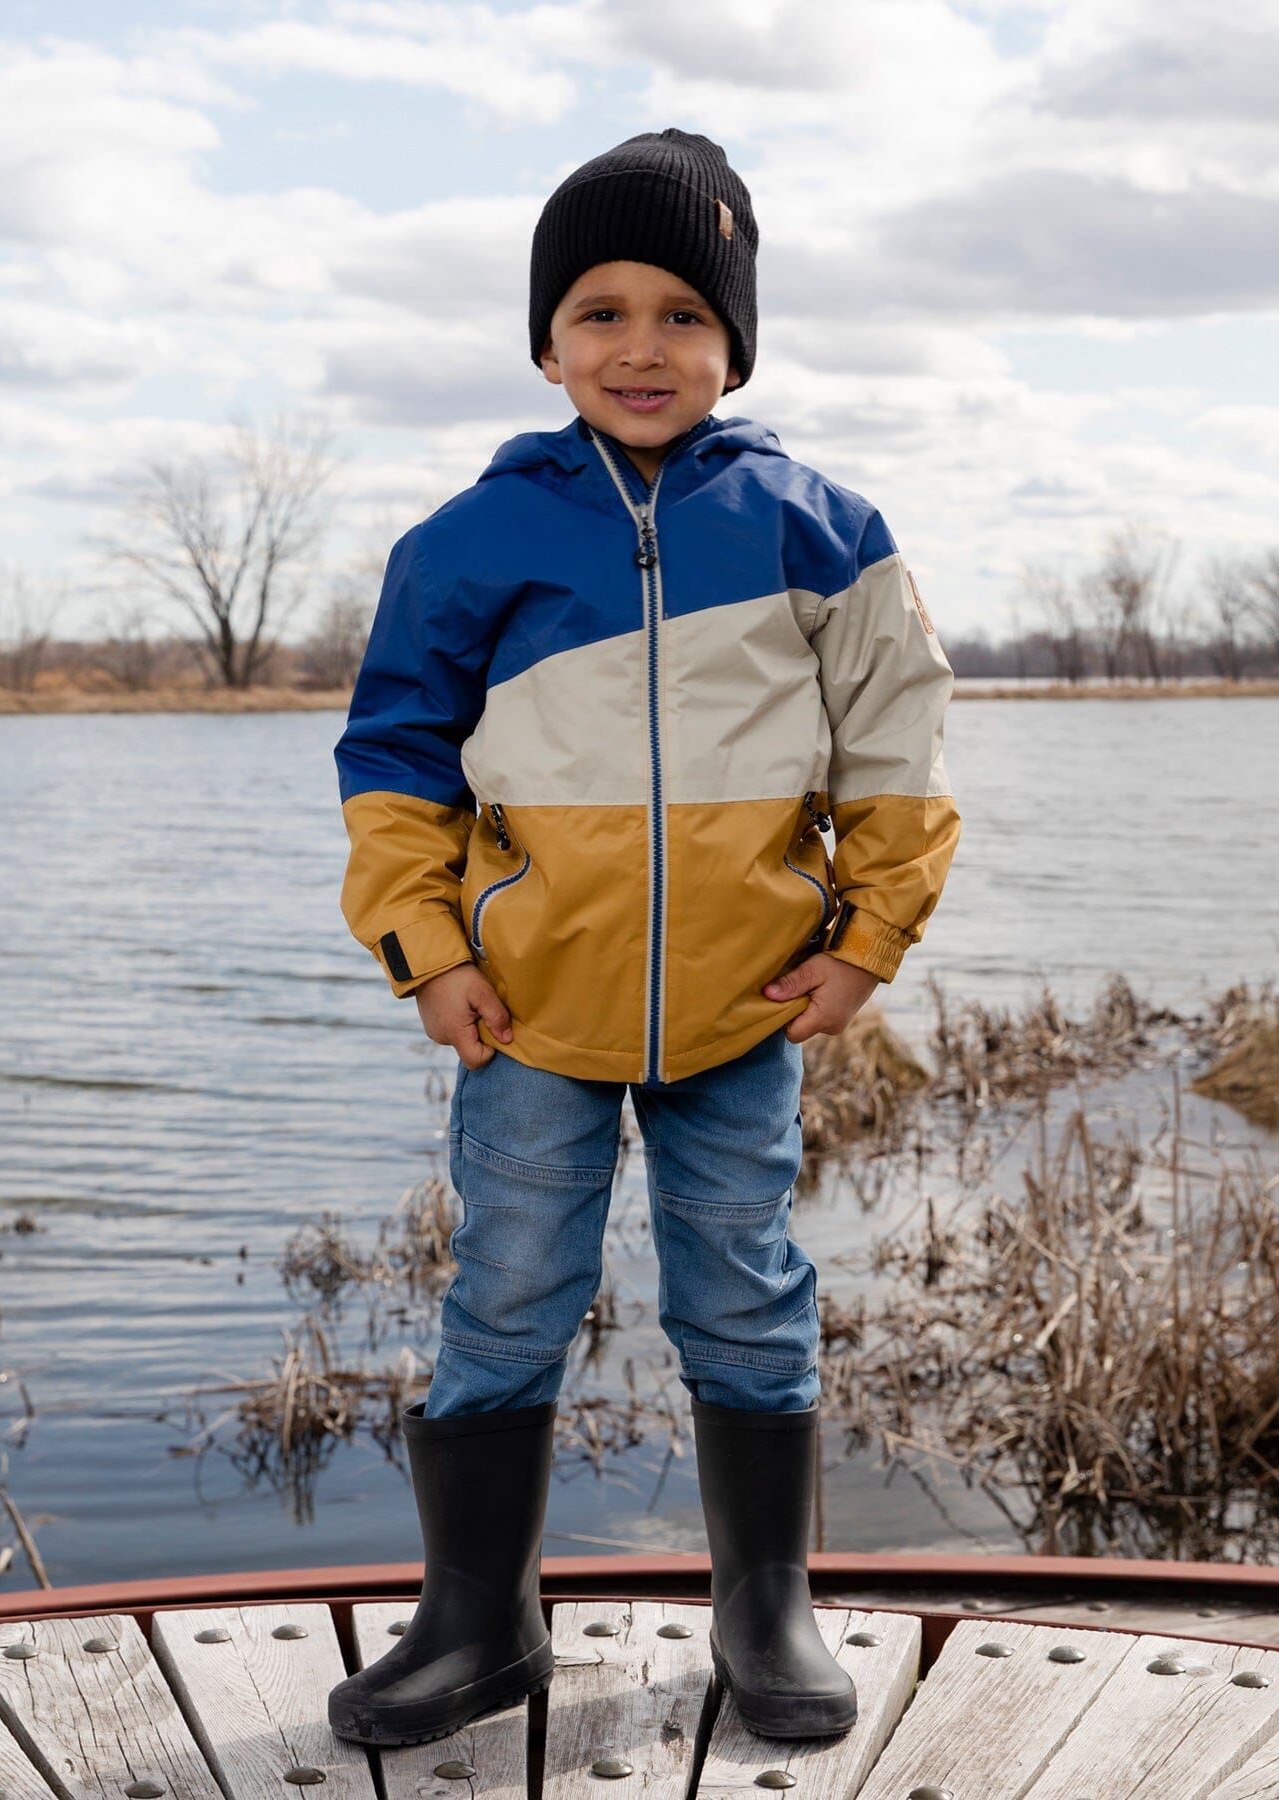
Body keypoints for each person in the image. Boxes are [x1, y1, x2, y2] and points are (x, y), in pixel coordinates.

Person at [327, 128, 960, 1748]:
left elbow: (895, 751)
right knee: (508, 1290)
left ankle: (768, 1610)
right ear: (547, 343)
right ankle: (479, 1621)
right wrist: (430, 949)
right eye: (599, 311)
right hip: (527, 1006)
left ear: (735, 339)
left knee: (743, 1291)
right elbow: (395, 765)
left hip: (745, 1005)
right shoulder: (470, 542)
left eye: (684, 311)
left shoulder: (820, 527)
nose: (641, 345)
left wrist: (872, 937)